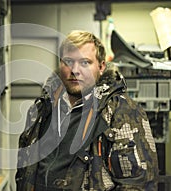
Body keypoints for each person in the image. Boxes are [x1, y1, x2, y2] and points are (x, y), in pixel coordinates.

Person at [15, 30, 158, 191]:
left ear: (101, 66)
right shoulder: (41, 109)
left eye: (85, 63)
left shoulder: (121, 111)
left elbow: (139, 184)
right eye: (68, 61)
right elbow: (24, 169)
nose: (75, 70)